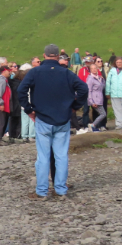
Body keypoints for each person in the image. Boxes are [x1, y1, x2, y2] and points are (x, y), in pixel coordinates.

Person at [17, 44, 88, 200]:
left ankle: (42, 191)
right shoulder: (67, 73)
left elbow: (21, 90)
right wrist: (74, 107)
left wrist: (29, 110)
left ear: (44, 55)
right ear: (57, 56)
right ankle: (60, 189)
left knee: (43, 157)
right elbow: (83, 88)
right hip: (62, 118)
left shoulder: (35, 72)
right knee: (61, 156)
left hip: (42, 118)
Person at [106, 56, 122, 130]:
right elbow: (108, 82)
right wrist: (107, 92)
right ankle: (119, 123)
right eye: (117, 62)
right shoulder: (112, 71)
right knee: (117, 109)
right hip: (114, 93)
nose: (119, 64)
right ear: (115, 63)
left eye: (120, 62)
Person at [85, 63, 107, 132]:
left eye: (95, 68)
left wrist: (103, 80)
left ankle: (94, 126)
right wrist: (91, 102)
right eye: (92, 68)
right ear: (90, 70)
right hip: (95, 99)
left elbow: (102, 87)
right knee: (103, 114)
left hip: (100, 99)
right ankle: (92, 125)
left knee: (101, 113)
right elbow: (89, 91)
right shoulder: (90, 79)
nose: (94, 70)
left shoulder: (99, 78)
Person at [17, 68, 35, 143]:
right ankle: (31, 136)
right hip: (31, 104)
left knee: (24, 121)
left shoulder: (22, 84)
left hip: (23, 105)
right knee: (32, 120)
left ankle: (24, 136)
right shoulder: (32, 84)